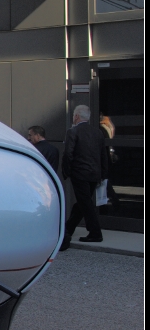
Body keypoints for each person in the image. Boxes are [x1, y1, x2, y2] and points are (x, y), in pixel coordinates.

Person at [60, 105, 108, 249]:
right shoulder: (97, 132)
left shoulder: (73, 132)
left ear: (76, 116)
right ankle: (69, 228)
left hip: (79, 173)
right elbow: (103, 155)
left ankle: (95, 232)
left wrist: (66, 172)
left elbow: (68, 153)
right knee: (82, 202)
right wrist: (103, 174)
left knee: (85, 203)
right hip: (94, 174)